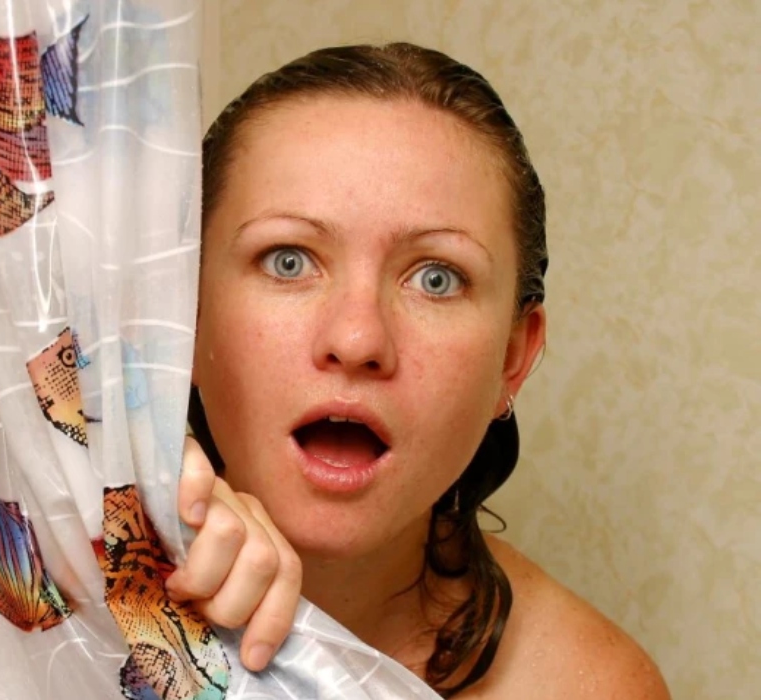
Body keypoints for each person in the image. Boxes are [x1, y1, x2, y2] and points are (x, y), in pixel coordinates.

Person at [167, 43, 670, 698]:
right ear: (184, 315)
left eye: (437, 278)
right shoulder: (58, 581)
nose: (356, 339)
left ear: (513, 358)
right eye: (288, 260)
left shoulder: (592, 687)